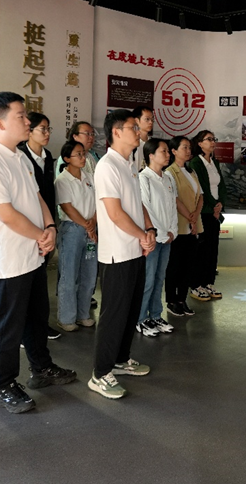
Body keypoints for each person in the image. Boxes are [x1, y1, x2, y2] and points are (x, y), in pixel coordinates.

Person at [0, 92, 76, 414]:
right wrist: (41, 235)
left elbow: (37, 197)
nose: (28, 121)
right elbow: (5, 213)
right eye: (21, 116)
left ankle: (41, 367)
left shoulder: (19, 157)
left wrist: (50, 227)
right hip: (7, 260)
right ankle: (4, 385)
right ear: (0, 123)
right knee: (6, 327)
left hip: (31, 254)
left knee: (36, 317)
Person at [88, 109, 155, 400]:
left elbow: (137, 204)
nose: (139, 132)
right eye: (133, 127)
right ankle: (100, 373)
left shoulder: (130, 164)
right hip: (116, 254)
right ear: (116, 132)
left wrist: (148, 230)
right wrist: (142, 235)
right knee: (113, 315)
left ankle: (120, 358)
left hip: (135, 250)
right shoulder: (107, 166)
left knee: (130, 311)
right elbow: (114, 213)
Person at [18, 112, 62, 340]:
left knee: (40, 281)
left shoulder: (48, 156)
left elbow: (48, 193)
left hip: (47, 225)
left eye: (48, 129)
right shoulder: (20, 156)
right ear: (29, 131)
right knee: (24, 284)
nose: (46, 133)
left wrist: (51, 225)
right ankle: (25, 331)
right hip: (28, 227)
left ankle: (40, 326)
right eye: (42, 129)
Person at [54, 141, 97, 332]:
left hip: (91, 229)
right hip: (72, 229)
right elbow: (67, 207)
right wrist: (87, 225)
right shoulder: (62, 180)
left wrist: (92, 223)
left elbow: (98, 202)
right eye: (78, 154)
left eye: (83, 154)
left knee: (89, 274)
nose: (82, 157)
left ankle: (83, 314)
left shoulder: (89, 177)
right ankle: (66, 318)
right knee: (69, 274)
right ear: (66, 159)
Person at [137, 138, 178, 337]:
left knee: (159, 278)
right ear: (151, 155)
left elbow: (172, 207)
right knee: (148, 280)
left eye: (168, 151)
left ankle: (155, 315)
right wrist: (159, 232)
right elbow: (146, 209)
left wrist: (172, 231)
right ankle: (141, 319)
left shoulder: (168, 178)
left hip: (167, 238)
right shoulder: (143, 178)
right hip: (152, 238)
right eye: (164, 151)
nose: (168, 155)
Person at [164, 136, 202, 317]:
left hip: (193, 225)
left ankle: (182, 299)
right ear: (174, 151)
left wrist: (195, 218)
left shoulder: (191, 171)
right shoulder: (169, 172)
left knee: (188, 266)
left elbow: (200, 196)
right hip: (179, 224)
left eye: (189, 147)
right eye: (184, 147)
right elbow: (174, 198)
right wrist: (190, 217)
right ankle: (171, 300)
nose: (188, 151)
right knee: (175, 265)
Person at [189, 130, 224, 301]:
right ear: (200, 143)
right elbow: (202, 188)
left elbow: (221, 185)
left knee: (212, 249)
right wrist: (213, 206)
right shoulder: (196, 162)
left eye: (213, 139)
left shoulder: (214, 162)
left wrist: (220, 204)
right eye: (208, 139)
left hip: (215, 212)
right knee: (201, 250)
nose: (212, 142)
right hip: (203, 212)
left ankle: (208, 282)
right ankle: (196, 285)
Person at [131, 106, 154, 172]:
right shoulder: (132, 144)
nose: (151, 122)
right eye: (147, 119)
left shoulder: (153, 143)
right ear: (136, 121)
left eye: (152, 119)